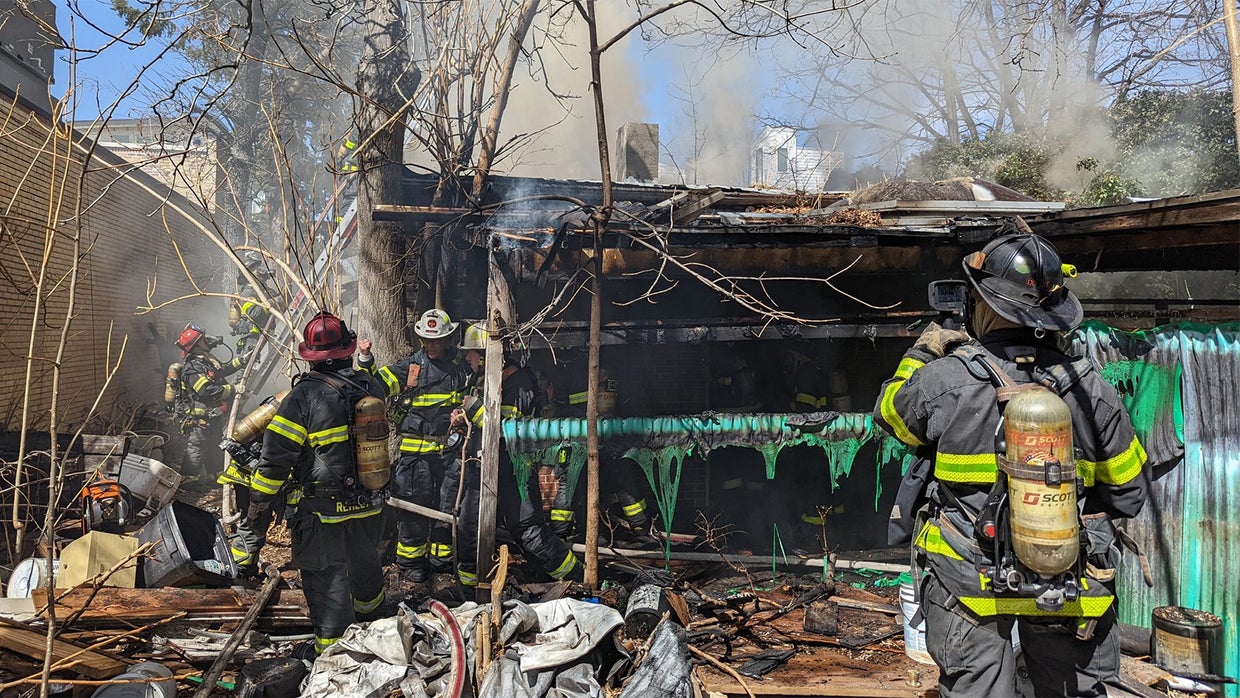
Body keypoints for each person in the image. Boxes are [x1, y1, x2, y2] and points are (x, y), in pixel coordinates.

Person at [872, 225, 1149, 697]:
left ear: (981, 303)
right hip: (1066, 580)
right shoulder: (1090, 389)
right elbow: (1128, 493)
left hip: (968, 579)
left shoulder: (945, 381)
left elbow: (889, 414)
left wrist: (922, 352)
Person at [246, 311, 388, 658]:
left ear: (309, 355)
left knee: (327, 580)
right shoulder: (369, 386)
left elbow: (276, 457)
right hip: (369, 501)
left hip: (323, 510)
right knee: (366, 564)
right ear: (347, 349)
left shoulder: (302, 398)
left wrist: (259, 500)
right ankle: (374, 629)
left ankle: (334, 657)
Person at [451, 323, 582, 588]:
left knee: (527, 528)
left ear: (491, 354)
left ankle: (573, 576)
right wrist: (464, 421)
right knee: (469, 524)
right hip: (485, 467)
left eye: (474, 352)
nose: (468, 358)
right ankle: (466, 589)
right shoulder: (490, 381)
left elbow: (506, 432)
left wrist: (474, 409)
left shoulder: (518, 384)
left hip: (513, 471)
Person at [357, 308, 469, 582]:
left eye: (437, 340)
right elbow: (375, 386)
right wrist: (365, 358)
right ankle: (410, 563)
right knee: (412, 507)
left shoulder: (461, 367)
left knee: (446, 508)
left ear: (448, 339)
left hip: (449, 453)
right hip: (414, 455)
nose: (432, 345)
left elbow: (472, 393)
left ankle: (442, 561)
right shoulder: (412, 368)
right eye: (427, 340)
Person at [172, 323, 242, 482]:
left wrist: (243, 360)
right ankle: (187, 482)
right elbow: (206, 390)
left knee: (214, 446)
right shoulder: (193, 368)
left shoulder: (205, 362)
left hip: (211, 416)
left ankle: (214, 477)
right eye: (203, 339)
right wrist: (233, 389)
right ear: (197, 346)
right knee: (196, 448)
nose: (208, 341)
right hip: (198, 419)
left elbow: (223, 369)